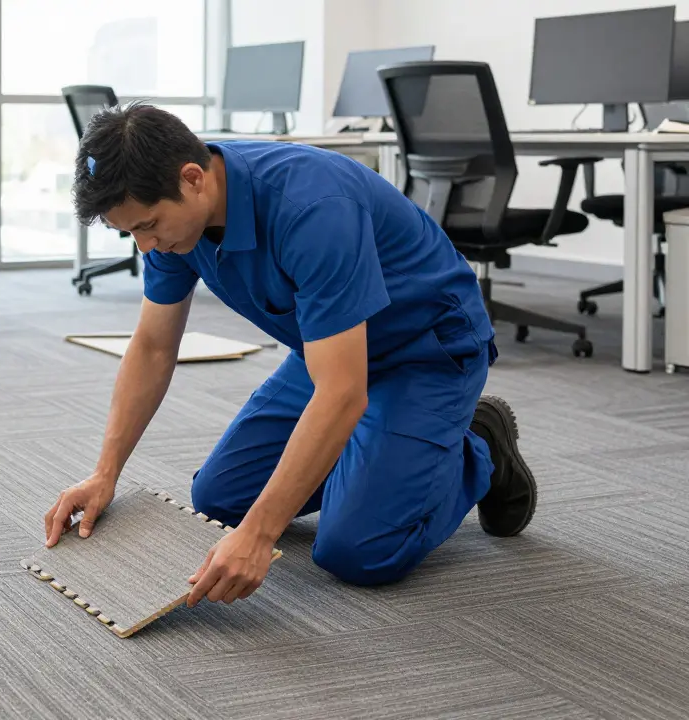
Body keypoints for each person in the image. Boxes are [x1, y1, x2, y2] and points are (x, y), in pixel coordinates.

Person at [42, 103, 537, 607]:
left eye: (147, 226)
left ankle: (478, 446)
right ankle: (378, 453)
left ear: (193, 179)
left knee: (357, 550)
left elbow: (343, 393)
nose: (145, 247)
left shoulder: (312, 208)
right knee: (219, 500)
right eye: (130, 234)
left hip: (424, 351)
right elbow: (152, 347)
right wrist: (105, 472)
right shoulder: (173, 229)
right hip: (327, 350)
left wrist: (260, 536)